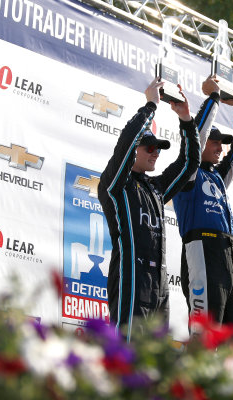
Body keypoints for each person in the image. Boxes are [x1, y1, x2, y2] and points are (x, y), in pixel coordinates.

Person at [98, 78, 200, 341]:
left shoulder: (156, 189)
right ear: (134, 152)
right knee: (128, 358)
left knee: (154, 366)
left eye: (159, 148)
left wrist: (187, 121)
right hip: (131, 281)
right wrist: (151, 105)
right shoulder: (116, 185)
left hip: (160, 287)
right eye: (150, 147)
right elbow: (124, 144)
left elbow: (189, 163)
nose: (156, 153)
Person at [172, 76, 233, 354]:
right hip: (201, 254)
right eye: (215, 142)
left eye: (221, 143)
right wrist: (213, 98)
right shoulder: (187, 174)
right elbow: (197, 135)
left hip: (227, 259)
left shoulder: (219, 176)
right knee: (203, 342)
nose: (219, 147)